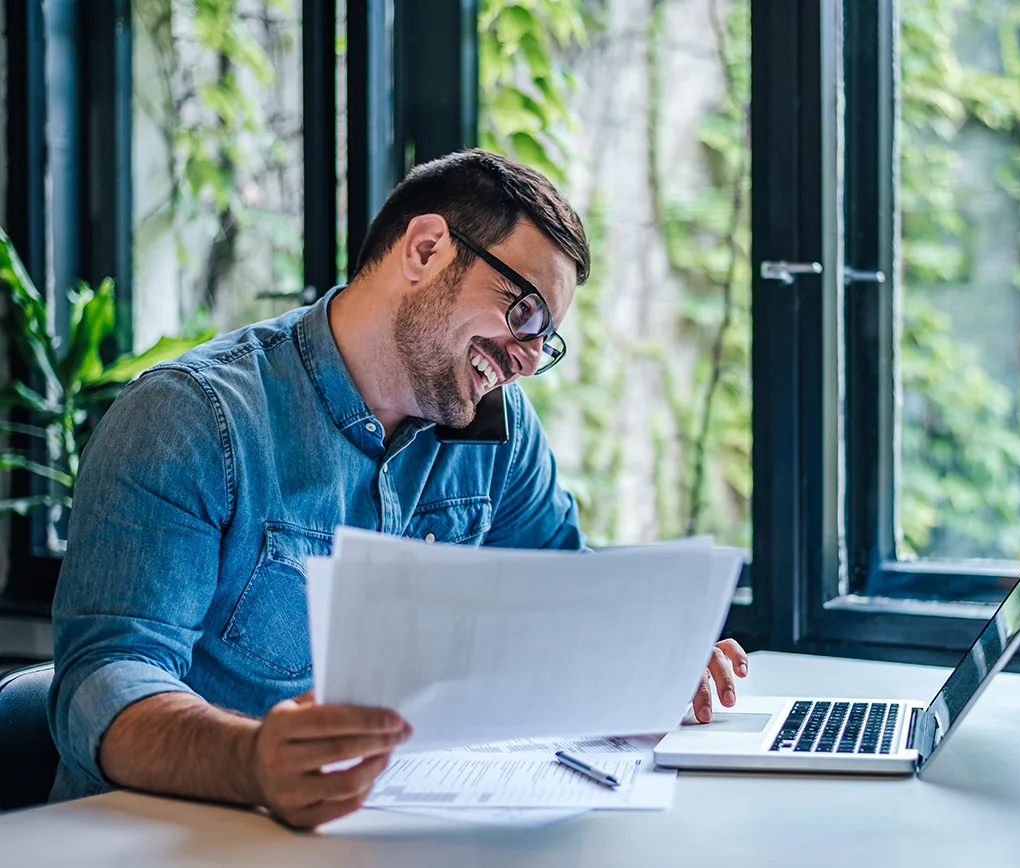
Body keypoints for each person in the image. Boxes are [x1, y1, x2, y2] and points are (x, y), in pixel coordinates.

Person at [47, 149, 748, 828]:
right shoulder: (191, 419)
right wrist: (251, 760)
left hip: (383, 838)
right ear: (425, 250)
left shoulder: (498, 436)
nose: (531, 361)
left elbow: (565, 588)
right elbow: (102, 682)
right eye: (524, 313)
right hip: (170, 840)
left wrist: (653, 649)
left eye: (547, 340)